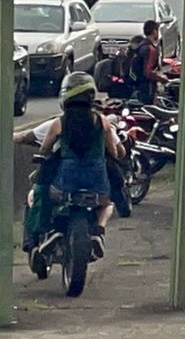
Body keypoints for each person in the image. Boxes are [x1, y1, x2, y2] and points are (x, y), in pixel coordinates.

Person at [37, 73, 124, 256]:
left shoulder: (59, 123)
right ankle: (98, 231)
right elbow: (114, 153)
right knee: (107, 203)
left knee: (46, 194)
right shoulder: (102, 121)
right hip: (96, 178)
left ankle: (52, 231)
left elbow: (44, 150)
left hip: (67, 179)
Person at [127, 19, 165, 105]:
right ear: (154, 31)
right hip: (147, 86)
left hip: (137, 84)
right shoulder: (150, 49)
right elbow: (148, 72)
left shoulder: (140, 45)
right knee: (147, 109)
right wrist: (161, 79)